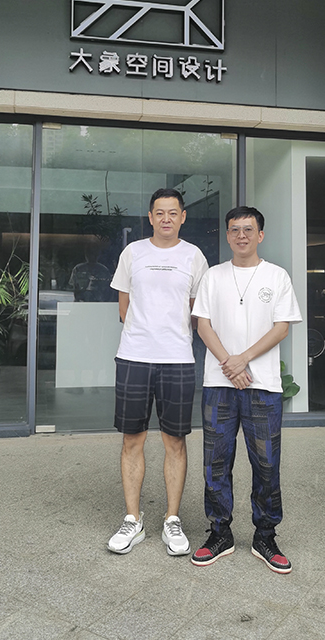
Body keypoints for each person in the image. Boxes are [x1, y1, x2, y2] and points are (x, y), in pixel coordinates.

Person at [190, 206, 302, 572]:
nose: (241, 235)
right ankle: (219, 532)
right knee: (215, 462)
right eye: (235, 229)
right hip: (218, 384)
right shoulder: (213, 276)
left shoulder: (277, 276)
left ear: (260, 235)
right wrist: (229, 363)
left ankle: (265, 535)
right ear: (227, 235)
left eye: (248, 229)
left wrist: (243, 360)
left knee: (266, 464)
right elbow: (202, 324)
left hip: (263, 385)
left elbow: (281, 327)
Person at [107, 188, 208, 556]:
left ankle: (171, 519)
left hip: (178, 359)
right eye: (160, 213)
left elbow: (198, 311)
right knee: (131, 440)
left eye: (173, 212)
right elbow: (124, 308)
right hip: (133, 357)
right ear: (150, 217)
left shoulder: (194, 256)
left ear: (183, 217)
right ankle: (132, 520)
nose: (166, 218)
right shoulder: (133, 253)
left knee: (175, 441)